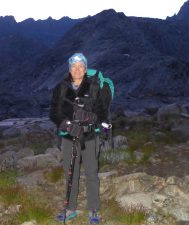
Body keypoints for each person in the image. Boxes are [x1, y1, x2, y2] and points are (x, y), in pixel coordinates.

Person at [49, 53, 112, 224]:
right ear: (69, 69)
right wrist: (66, 125)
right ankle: (70, 208)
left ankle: (93, 209)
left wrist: (91, 118)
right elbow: (54, 112)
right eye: (73, 67)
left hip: (90, 136)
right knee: (70, 174)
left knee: (91, 173)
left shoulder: (94, 86)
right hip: (69, 136)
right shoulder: (61, 88)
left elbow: (102, 111)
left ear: (85, 69)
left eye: (80, 66)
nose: (77, 70)